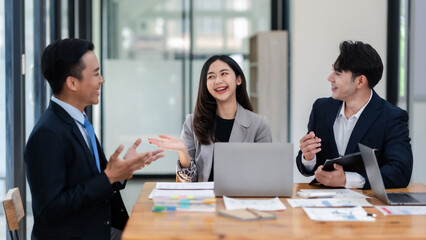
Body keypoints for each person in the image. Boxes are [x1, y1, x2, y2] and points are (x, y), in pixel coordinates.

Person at [24, 38, 164, 239]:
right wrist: (110, 177)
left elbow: (95, 179)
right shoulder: (47, 135)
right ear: (72, 82)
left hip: (98, 227)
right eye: (96, 73)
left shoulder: (78, 121)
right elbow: (50, 210)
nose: (102, 80)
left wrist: (122, 170)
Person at [296, 40, 413, 189]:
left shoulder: (391, 117)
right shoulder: (321, 109)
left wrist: (348, 180)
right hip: (323, 204)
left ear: (360, 81)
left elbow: (400, 171)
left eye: (338, 73)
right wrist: (308, 158)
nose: (330, 78)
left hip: (369, 205)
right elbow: (309, 166)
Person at [149, 55, 272, 182]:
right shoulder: (192, 122)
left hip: (242, 199)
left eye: (224, 73)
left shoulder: (259, 124)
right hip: (205, 199)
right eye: (211, 76)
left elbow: (265, 173)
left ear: (238, 79)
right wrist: (183, 152)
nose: (218, 81)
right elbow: (189, 181)